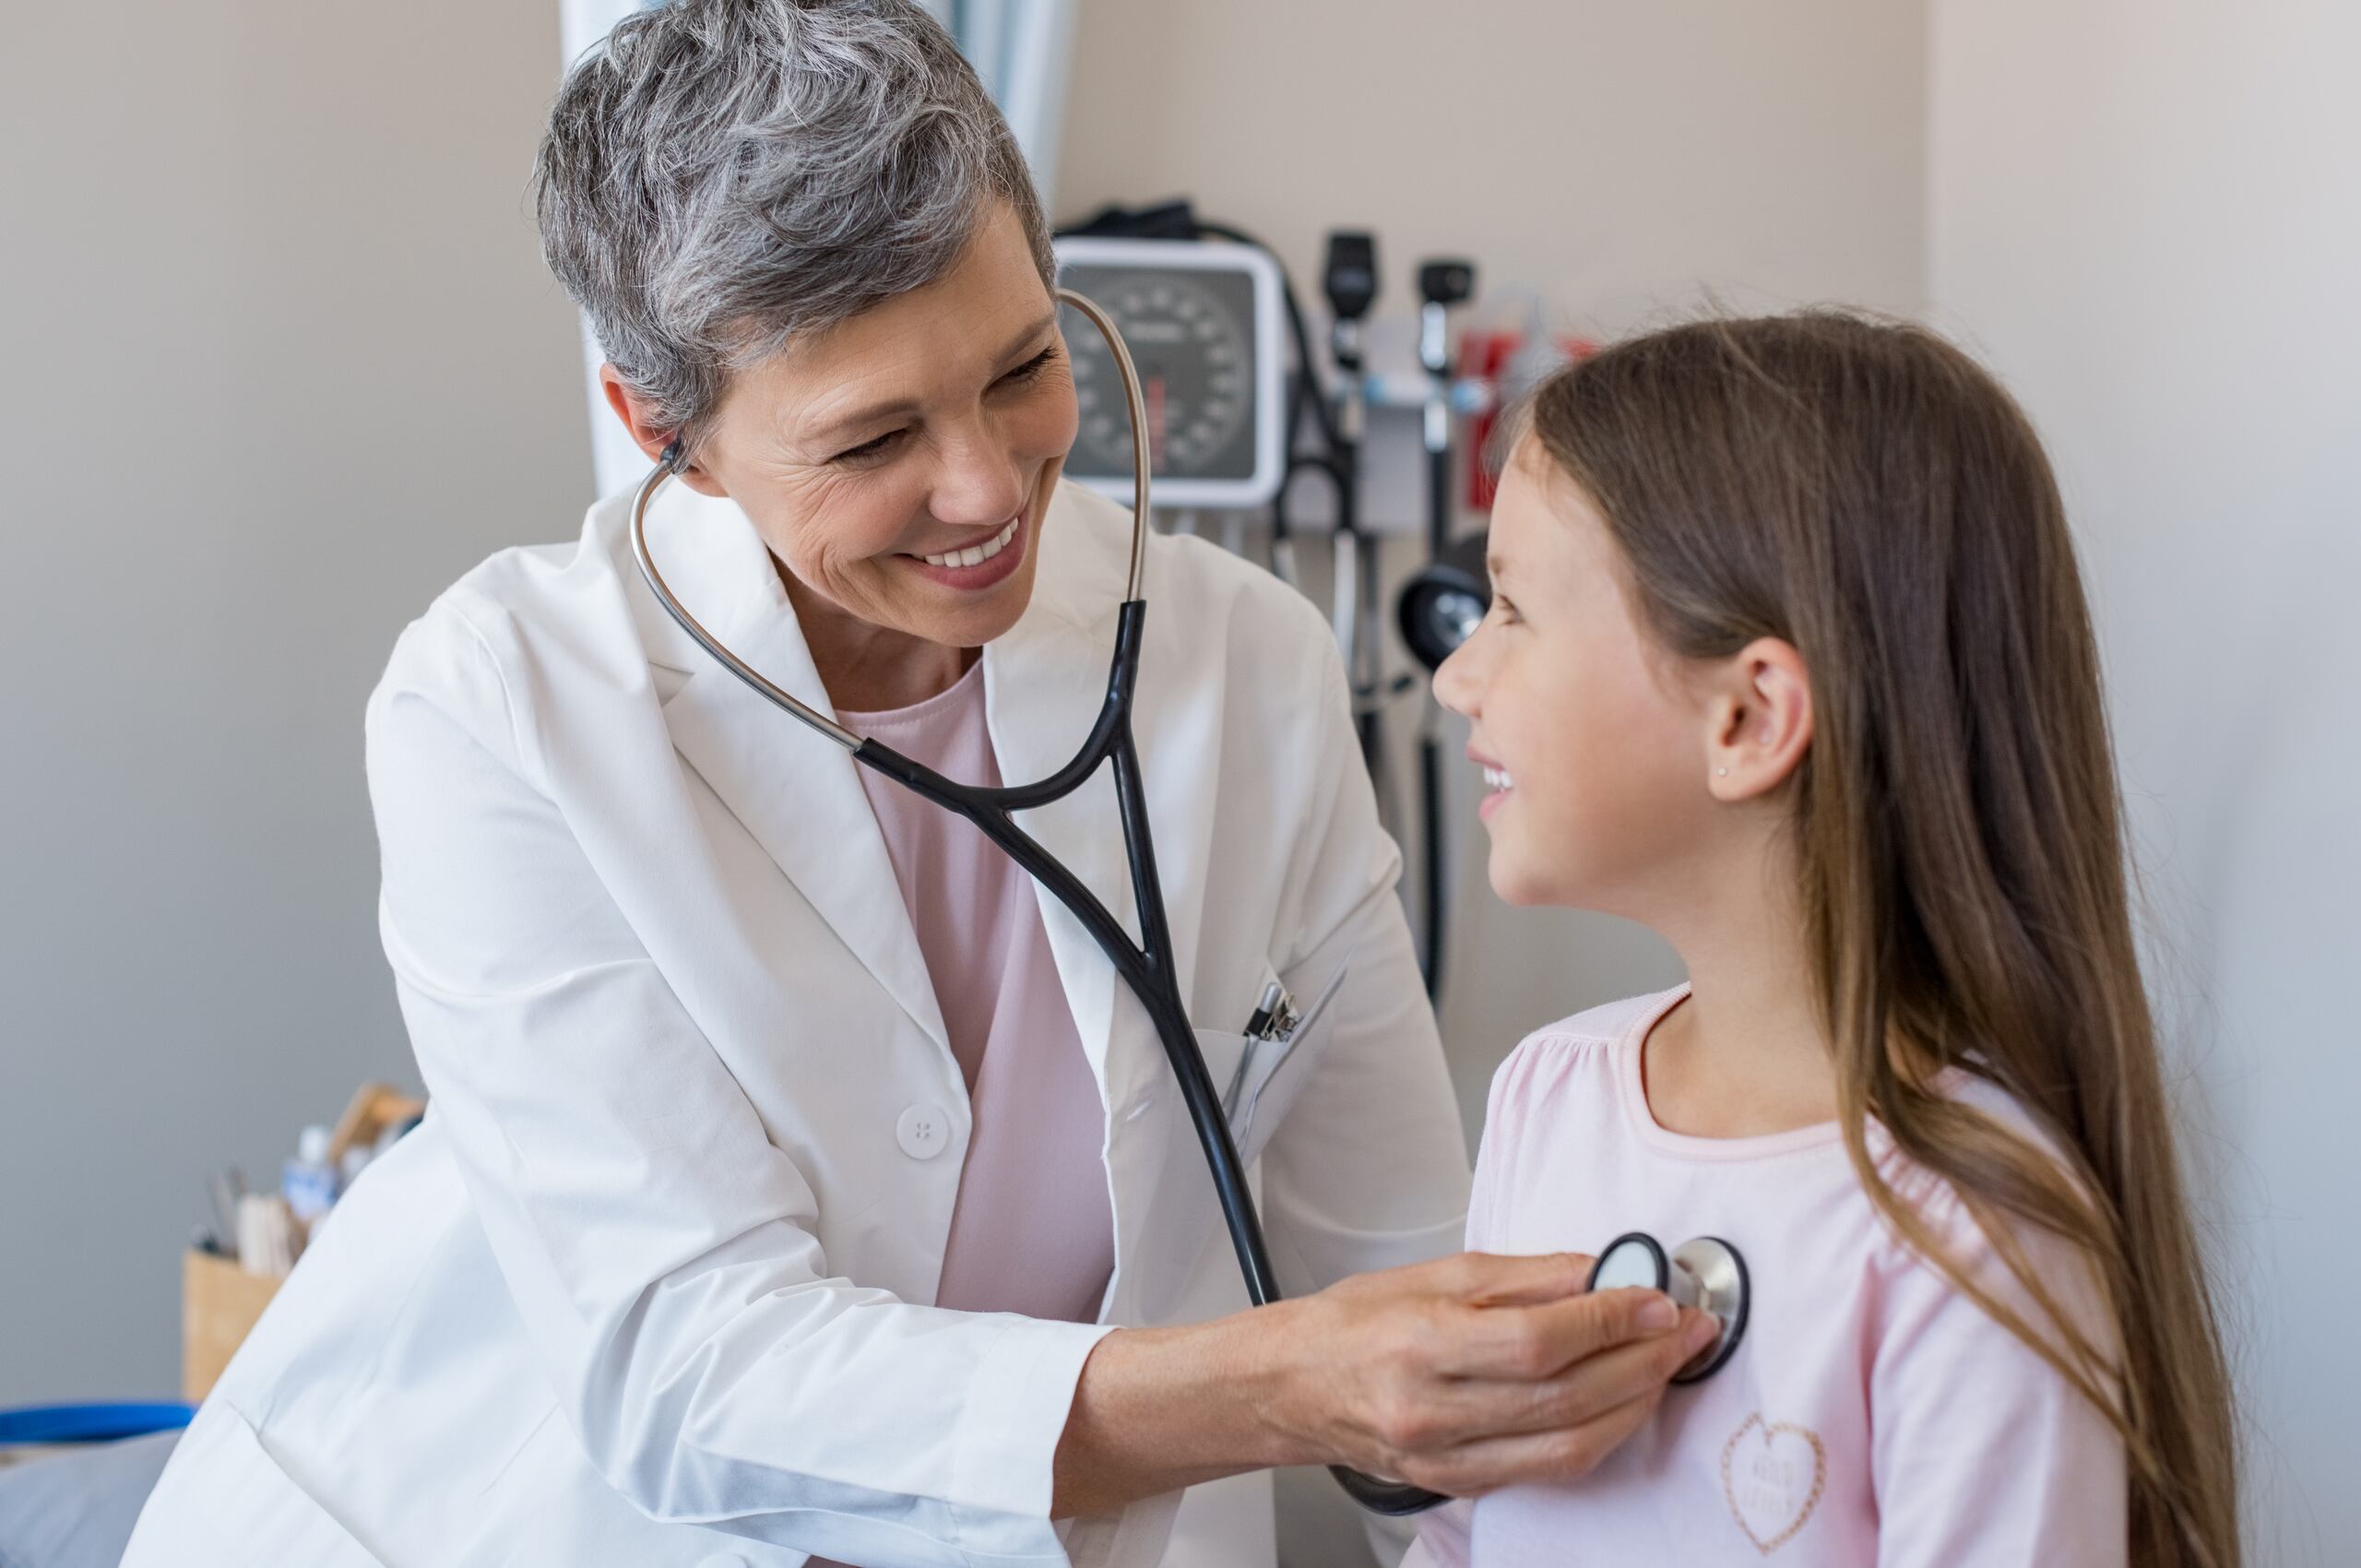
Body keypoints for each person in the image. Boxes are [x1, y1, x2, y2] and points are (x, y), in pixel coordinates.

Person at [121, 4, 1714, 1565]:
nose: (984, 485)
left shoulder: (1246, 668)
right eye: (873, 436)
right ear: (660, 427)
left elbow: (1406, 1274)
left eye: (1023, 366)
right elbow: (694, 1377)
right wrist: (1285, 1388)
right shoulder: (506, 706)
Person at [1409, 313, 2240, 1566]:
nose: (1454, 677)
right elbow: (1462, 1542)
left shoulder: (1966, 1228)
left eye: (1512, 610)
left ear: (1748, 716)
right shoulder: (1551, 1097)